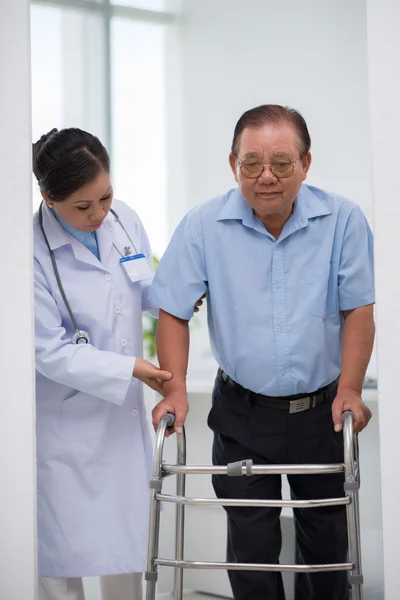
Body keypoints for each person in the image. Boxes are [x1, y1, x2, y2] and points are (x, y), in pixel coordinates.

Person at [148, 105, 375, 600]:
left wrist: (353, 388)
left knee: (327, 550)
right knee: (251, 553)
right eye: (251, 164)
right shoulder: (204, 225)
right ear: (233, 164)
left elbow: (359, 310)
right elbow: (172, 311)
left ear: (306, 163)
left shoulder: (342, 220)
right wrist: (176, 389)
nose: (265, 176)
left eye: (281, 162)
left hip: (324, 412)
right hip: (243, 416)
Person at [33, 127, 179, 600]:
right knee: (59, 563)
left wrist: (177, 299)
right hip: (64, 430)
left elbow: (142, 287)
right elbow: (47, 350)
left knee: (126, 556)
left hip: (121, 422)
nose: (98, 214)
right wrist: (128, 368)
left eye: (105, 197)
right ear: (48, 197)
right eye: (82, 206)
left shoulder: (124, 220)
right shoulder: (27, 251)